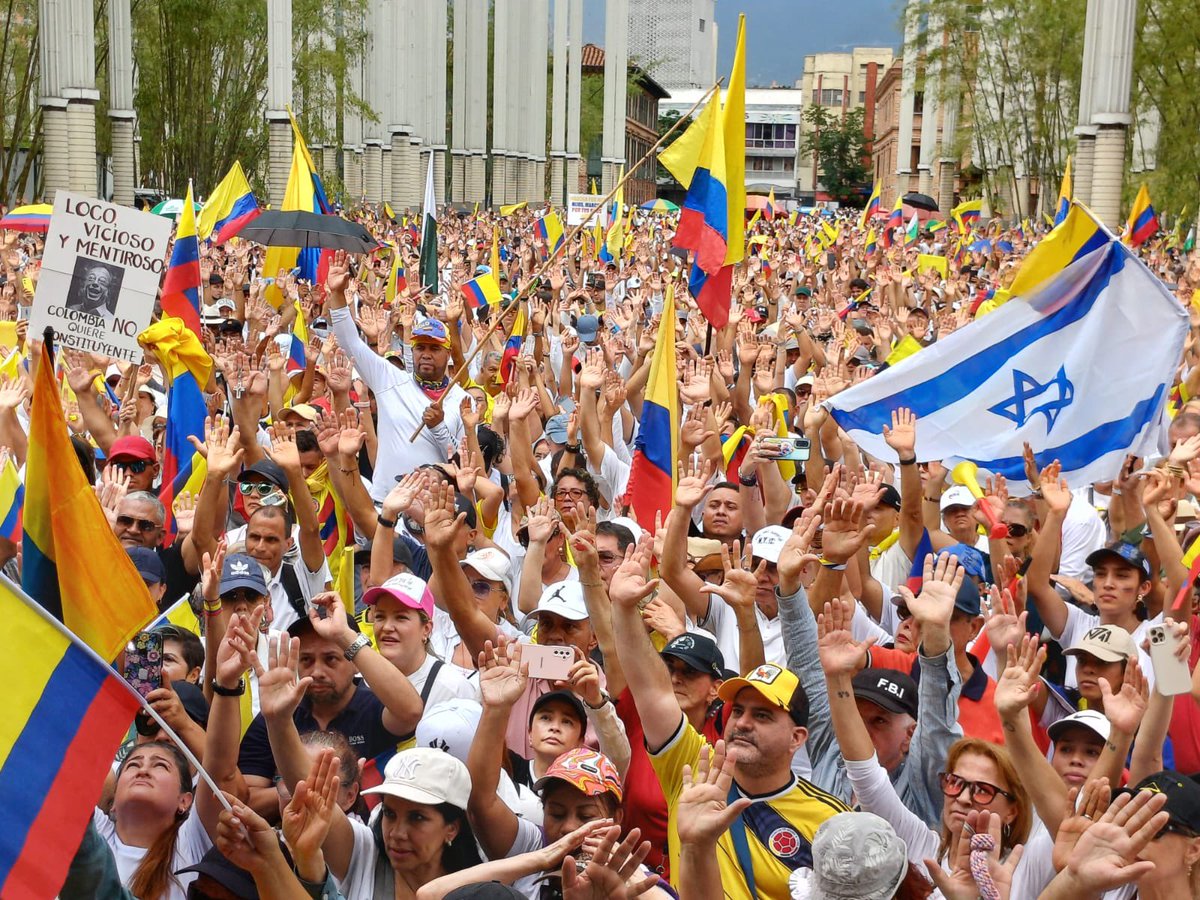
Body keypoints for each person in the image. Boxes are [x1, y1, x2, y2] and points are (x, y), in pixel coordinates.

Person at [611, 533, 848, 897]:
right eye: (737, 710)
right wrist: (624, 610)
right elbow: (654, 692)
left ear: (797, 738)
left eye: (763, 716)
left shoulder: (832, 819)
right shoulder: (692, 766)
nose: (743, 723)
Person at [327, 250, 466, 493]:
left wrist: (439, 427)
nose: (426, 354)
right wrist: (338, 295)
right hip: (385, 502)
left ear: (448, 353)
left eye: (434, 348)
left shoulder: (462, 399)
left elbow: (463, 462)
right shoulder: (389, 378)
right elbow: (351, 343)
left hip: (432, 507)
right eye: (420, 347)